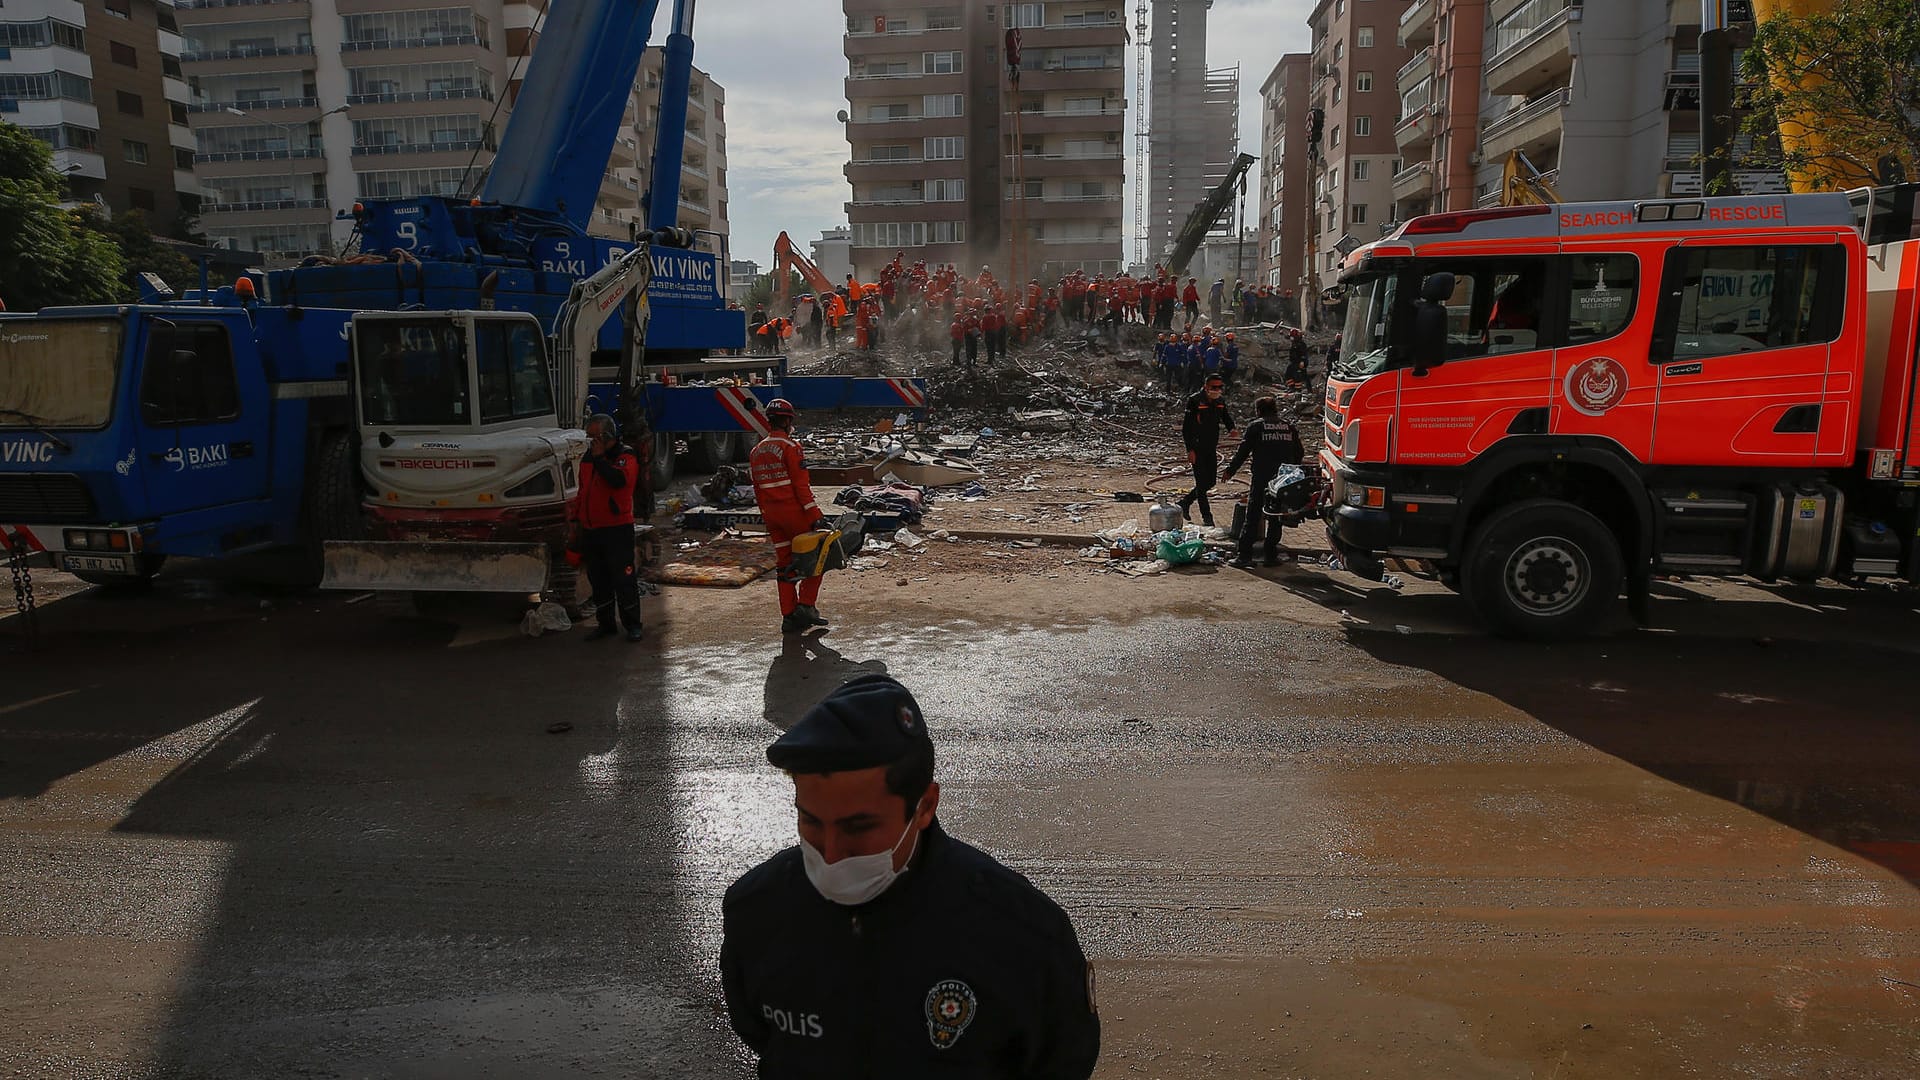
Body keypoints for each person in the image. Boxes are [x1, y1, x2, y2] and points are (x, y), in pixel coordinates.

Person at [720, 674, 1101, 1078]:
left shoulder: (1021, 933)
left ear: (924, 807)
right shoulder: (757, 912)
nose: (830, 854)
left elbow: (1062, 1060)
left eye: (858, 827)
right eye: (810, 821)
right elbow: (758, 1031)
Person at [749, 398, 830, 634]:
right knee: (816, 559)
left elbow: (757, 489)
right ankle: (806, 607)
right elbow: (801, 487)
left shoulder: (756, 451)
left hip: (772, 517)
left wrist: (767, 515)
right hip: (795, 514)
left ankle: (788, 616)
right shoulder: (791, 448)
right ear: (787, 421)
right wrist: (815, 515)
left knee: (785, 565)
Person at [573, 414, 645, 642]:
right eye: (589, 437)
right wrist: (575, 520)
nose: (590, 442)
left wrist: (601, 459)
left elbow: (619, 482)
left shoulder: (625, 456)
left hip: (617, 528)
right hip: (592, 528)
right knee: (598, 579)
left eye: (594, 437)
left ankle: (633, 624)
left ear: (606, 436)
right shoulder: (587, 459)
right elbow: (583, 491)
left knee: (623, 579)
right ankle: (605, 623)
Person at [1221, 396, 1304, 568]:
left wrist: (1230, 470)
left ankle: (1244, 556)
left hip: (1262, 477)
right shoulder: (1288, 427)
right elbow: (1299, 453)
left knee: (1252, 516)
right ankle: (1270, 555)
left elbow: (1243, 452)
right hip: (1283, 480)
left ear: (1258, 411)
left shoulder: (1256, 427)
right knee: (1275, 516)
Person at [1179, 374, 1237, 527]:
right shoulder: (1195, 400)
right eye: (1214, 387)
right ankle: (1207, 517)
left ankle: (1185, 502)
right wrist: (1189, 450)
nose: (1217, 390)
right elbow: (1186, 428)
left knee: (1210, 482)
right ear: (1206, 387)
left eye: (1220, 387)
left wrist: (1232, 429)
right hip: (1197, 447)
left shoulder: (1220, 401)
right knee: (1201, 482)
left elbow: (1225, 416)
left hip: (1211, 446)